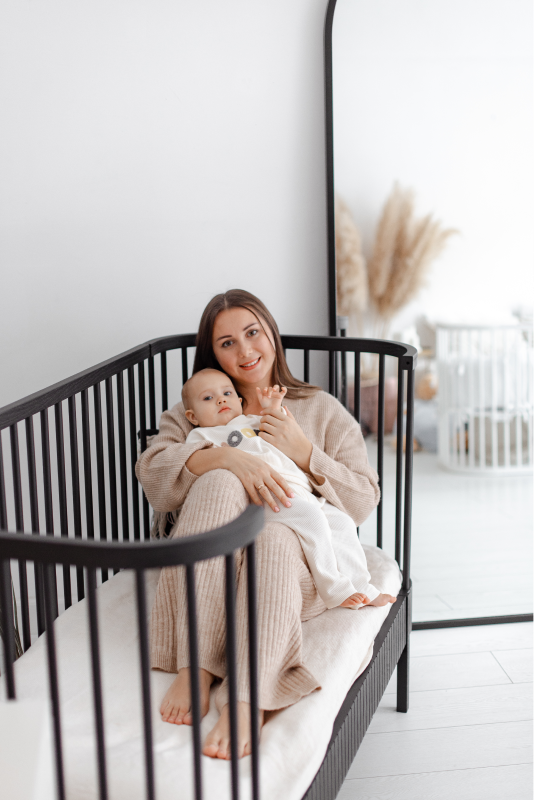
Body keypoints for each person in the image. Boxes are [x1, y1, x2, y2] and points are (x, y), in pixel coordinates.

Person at [136, 289, 382, 761]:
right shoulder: (197, 407)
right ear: (213, 354)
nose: (245, 351)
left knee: (272, 536)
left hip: (289, 563)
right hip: (212, 564)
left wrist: (305, 452)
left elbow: (363, 499)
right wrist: (223, 457)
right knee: (220, 479)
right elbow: (154, 478)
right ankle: (196, 665)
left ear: (271, 334)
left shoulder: (320, 408)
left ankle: (247, 699)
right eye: (227, 343)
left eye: (253, 333)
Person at [182, 367, 395, 611]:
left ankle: (363, 586)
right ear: (192, 416)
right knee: (312, 520)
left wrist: (272, 407)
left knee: (342, 523)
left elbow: (276, 427)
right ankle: (334, 589)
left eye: (227, 393)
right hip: (265, 496)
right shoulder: (201, 436)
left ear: (239, 402)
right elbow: (195, 465)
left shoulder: (251, 421)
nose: (220, 400)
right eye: (208, 398)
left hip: (300, 489)